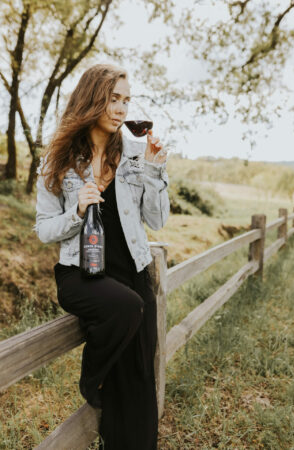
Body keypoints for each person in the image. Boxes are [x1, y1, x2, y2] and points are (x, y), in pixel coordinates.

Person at [35, 63, 170, 450]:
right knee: (125, 309)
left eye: (126, 101)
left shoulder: (133, 153)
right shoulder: (58, 159)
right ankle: (90, 377)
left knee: (138, 376)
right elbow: (44, 230)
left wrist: (156, 170)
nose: (121, 109)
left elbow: (156, 221)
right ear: (92, 98)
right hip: (82, 274)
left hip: (133, 271)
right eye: (114, 99)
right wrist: (76, 213)